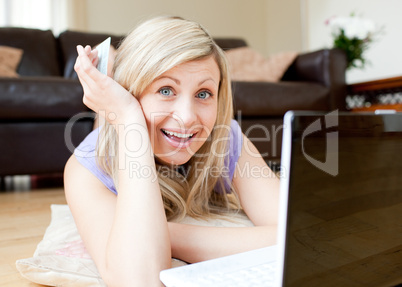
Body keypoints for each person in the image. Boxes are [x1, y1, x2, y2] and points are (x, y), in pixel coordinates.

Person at [64, 16, 279, 287]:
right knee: (107, 125)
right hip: (115, 135)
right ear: (129, 93)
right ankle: (113, 86)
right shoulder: (86, 167)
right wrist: (129, 119)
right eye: (166, 89)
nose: (188, 118)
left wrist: (165, 234)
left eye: (203, 93)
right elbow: (139, 280)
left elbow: (296, 231)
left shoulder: (224, 135)